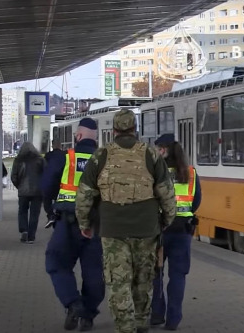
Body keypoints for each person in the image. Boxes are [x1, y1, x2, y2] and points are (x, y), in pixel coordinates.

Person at [76, 109, 176, 333]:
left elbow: (85, 194)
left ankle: (125, 327)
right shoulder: (151, 154)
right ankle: (141, 323)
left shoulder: (100, 155)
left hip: (113, 231)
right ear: (135, 130)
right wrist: (167, 220)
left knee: (118, 282)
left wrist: (84, 224)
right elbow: (166, 193)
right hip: (147, 229)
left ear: (113, 131)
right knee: (143, 280)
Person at [41, 118, 104, 331]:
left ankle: (73, 304)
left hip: (67, 224)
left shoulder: (65, 158)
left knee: (56, 263)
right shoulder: (105, 160)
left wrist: (50, 210)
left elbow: (47, 186)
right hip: (97, 227)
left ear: (78, 136)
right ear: (97, 139)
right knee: (95, 275)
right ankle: (87, 315)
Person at [150, 134, 202, 330]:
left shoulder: (155, 172)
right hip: (182, 231)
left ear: (163, 150)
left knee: (156, 274)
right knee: (178, 275)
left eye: (157, 149)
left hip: (158, 231)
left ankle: (156, 314)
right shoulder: (189, 172)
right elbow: (196, 202)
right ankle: (173, 319)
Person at [10, 142, 45, 243]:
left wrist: (19, 186)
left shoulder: (18, 160)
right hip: (37, 191)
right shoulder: (40, 160)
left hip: (23, 191)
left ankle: (24, 230)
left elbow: (14, 177)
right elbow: (46, 174)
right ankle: (31, 237)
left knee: (22, 211)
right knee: (34, 214)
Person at [42, 139, 65, 225]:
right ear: (60, 145)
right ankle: (58, 215)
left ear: (52, 146)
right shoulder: (65, 155)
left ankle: (51, 215)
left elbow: (44, 168)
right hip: (61, 183)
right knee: (58, 199)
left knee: (46, 200)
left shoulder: (48, 156)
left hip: (50, 182)